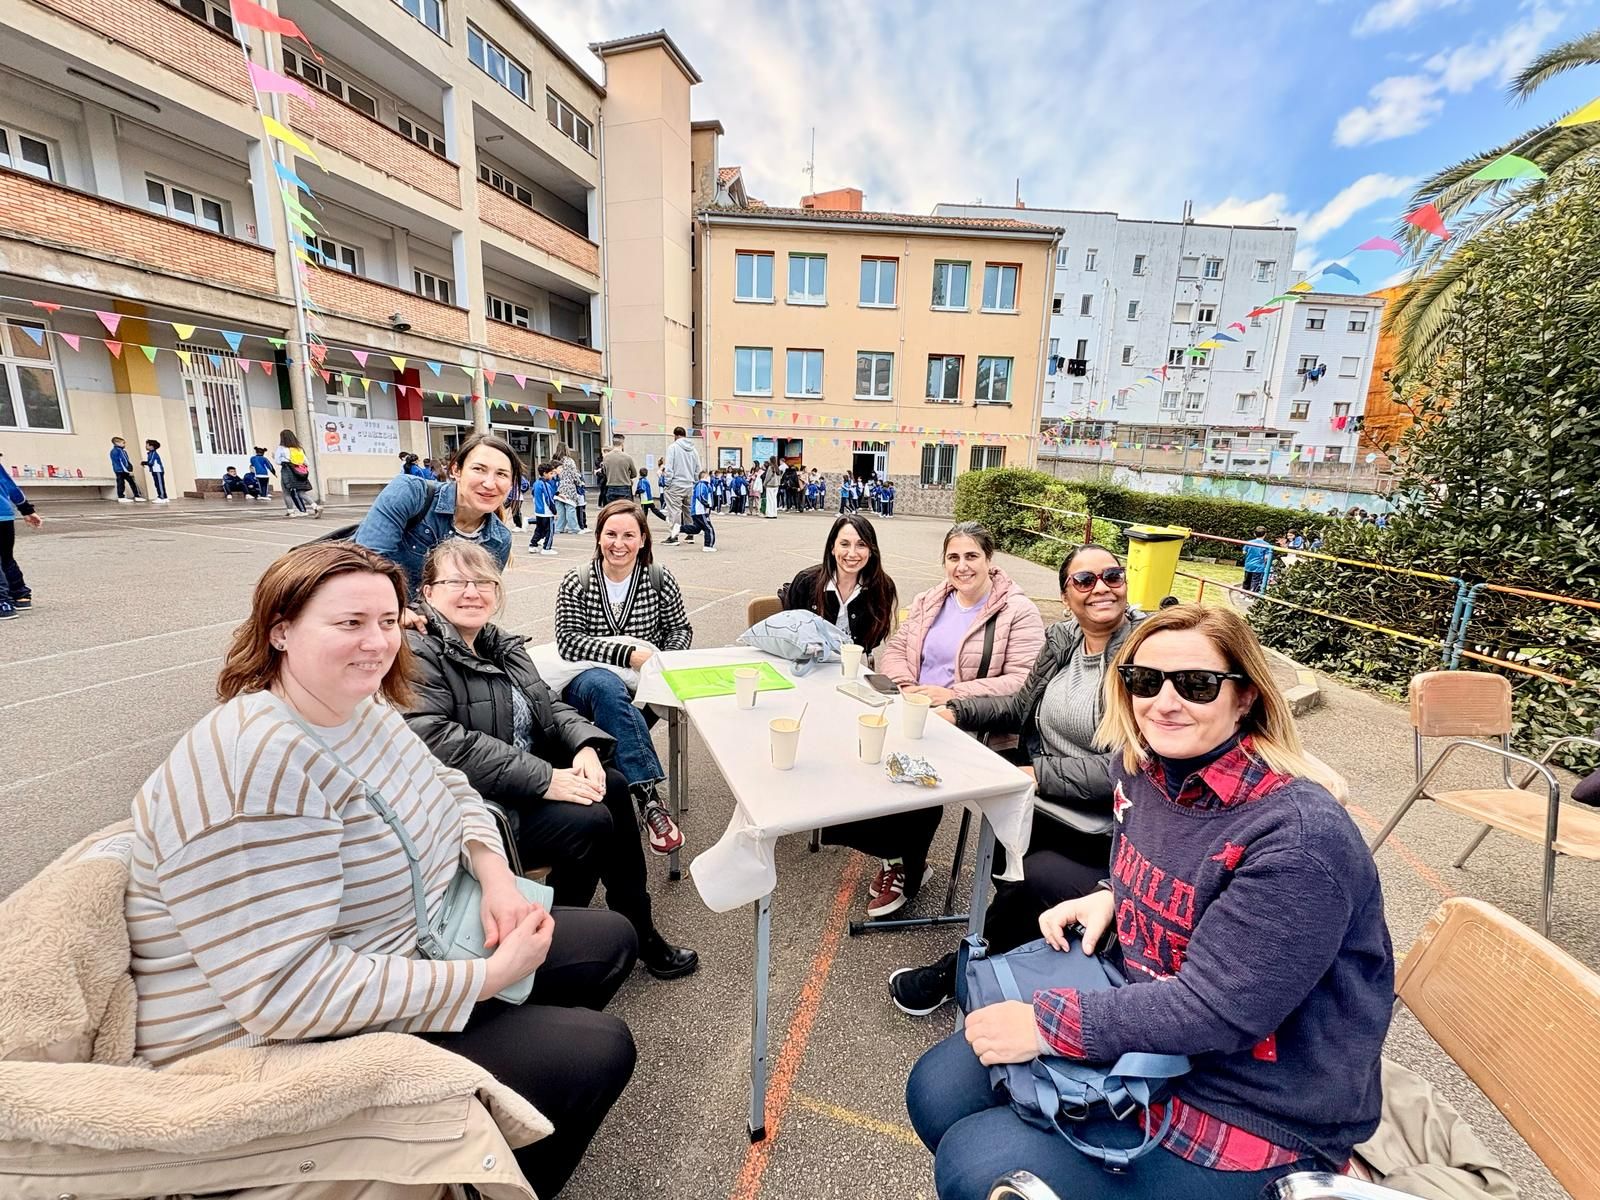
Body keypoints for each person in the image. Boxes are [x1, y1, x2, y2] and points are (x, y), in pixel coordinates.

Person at [125, 541, 638, 1198]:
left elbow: (451, 787)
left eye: (388, 622)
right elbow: (282, 995)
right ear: (280, 630)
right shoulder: (256, 768)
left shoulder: (356, 710)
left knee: (609, 939)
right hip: (280, 1044)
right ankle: (472, 1163)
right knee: (597, 1048)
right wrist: (485, 979)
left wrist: (496, 880)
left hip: (404, 947)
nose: (378, 642)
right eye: (350, 623)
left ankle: (500, 1101)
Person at [906, 603, 1392, 1200]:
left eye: (1196, 684)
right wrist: (1113, 895)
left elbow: (1216, 1011)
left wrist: (1046, 1024)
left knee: (973, 1160)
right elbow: (1179, 867)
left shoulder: (1297, 841)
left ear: (1246, 696)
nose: (1163, 702)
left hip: (1247, 1094)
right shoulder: (1143, 768)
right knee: (935, 1090)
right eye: (1144, 680)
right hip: (1144, 1010)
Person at [405, 540, 699, 981]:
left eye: (483, 581)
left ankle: (633, 926)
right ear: (428, 592)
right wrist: (547, 779)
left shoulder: (498, 643)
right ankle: (558, 937)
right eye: (457, 582)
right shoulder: (419, 650)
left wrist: (584, 746)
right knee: (592, 821)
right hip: (479, 808)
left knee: (613, 784)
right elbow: (439, 741)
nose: (472, 591)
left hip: (523, 780)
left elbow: (548, 704)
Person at [889, 545, 1139, 1016]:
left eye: (1112, 575)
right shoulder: (1064, 640)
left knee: (1028, 879)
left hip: (1103, 822)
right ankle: (1017, 965)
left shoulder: (1141, 656)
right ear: (1066, 596)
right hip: (1043, 799)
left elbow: (1131, 765)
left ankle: (959, 974)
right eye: (1085, 580)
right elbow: (1021, 705)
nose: (1101, 587)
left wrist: (1037, 773)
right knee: (1003, 862)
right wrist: (956, 711)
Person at [824, 522, 1045, 919]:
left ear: (989, 559)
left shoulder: (1018, 611)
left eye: (972, 556)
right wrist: (908, 687)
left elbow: (1023, 682)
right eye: (953, 557)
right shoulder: (930, 600)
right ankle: (898, 857)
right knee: (854, 755)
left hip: (972, 723)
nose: (962, 566)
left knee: (915, 773)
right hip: (915, 709)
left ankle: (905, 869)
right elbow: (897, 650)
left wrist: (953, 695)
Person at [554, 501, 695, 879]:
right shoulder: (577, 581)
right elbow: (568, 641)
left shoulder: (659, 579)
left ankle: (612, 786)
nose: (619, 543)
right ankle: (649, 801)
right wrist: (628, 655)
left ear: (643, 539)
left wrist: (661, 662)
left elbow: (680, 629)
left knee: (620, 715)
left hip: (643, 688)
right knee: (607, 685)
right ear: (598, 537)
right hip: (587, 683)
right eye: (611, 534)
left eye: (629, 535)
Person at [353, 432, 519, 599]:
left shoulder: (500, 540)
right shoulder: (411, 493)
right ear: (456, 470)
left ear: (511, 483)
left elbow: (478, 598)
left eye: (501, 474)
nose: (489, 484)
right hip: (373, 609)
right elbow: (366, 565)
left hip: (434, 616)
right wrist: (402, 611)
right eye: (478, 469)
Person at [779, 514, 898, 654]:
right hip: (806, 661)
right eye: (844, 544)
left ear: (871, 550)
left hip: (851, 662)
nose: (852, 553)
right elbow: (789, 633)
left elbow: (873, 639)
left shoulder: (883, 587)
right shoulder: (805, 582)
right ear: (832, 547)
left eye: (861, 545)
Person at [0, 454, 42, 619]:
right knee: (6, 557)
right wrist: (26, 509)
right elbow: (10, 486)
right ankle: (20, 595)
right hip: (4, 515)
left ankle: (3, 603)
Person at [661, 426, 700, 545]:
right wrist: (695, 481)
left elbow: (669, 467)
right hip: (689, 484)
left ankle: (674, 536)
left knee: (674, 511)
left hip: (676, 483)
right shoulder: (693, 450)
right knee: (688, 510)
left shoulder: (673, 447)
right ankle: (690, 534)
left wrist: (667, 482)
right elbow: (698, 468)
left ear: (675, 435)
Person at [275, 429, 322, 518]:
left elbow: (277, 461)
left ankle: (291, 512)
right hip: (299, 473)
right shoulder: (299, 449)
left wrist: (281, 459)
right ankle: (315, 507)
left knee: (286, 492)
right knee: (301, 492)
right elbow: (307, 463)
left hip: (287, 471)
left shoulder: (281, 448)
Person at [551, 442, 581, 535]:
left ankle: (558, 527)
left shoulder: (554, 460)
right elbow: (574, 474)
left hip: (557, 487)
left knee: (560, 509)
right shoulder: (569, 461)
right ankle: (574, 528)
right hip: (568, 486)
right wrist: (579, 483)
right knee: (570, 507)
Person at [529, 461, 558, 556]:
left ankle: (533, 545)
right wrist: (554, 511)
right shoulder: (545, 484)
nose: (552, 476)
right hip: (547, 512)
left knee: (539, 529)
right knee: (550, 530)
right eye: (551, 473)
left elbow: (533, 494)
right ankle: (547, 548)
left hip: (538, 511)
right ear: (545, 473)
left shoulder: (536, 483)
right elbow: (549, 499)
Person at [600, 436, 636, 505]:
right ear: (622, 444)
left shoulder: (606, 458)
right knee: (625, 509)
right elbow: (634, 474)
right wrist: (626, 475)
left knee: (612, 509)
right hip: (625, 487)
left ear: (613, 444)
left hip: (610, 487)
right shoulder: (628, 457)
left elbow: (604, 472)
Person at [688, 469, 717, 552]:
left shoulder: (706, 485)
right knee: (709, 528)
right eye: (708, 476)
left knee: (696, 529)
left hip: (701, 511)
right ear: (705, 477)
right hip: (700, 511)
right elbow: (700, 496)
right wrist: (706, 504)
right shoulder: (701, 485)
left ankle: (679, 528)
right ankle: (708, 545)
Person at [110, 436, 144, 503]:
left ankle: (122, 497)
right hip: (123, 470)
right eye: (123, 443)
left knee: (121, 483)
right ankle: (136, 496)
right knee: (131, 483)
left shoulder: (115, 451)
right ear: (117, 443)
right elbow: (123, 461)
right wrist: (128, 470)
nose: (124, 444)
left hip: (118, 470)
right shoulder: (119, 451)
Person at [1240, 526, 1272, 594]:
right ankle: (1251, 595)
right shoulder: (1267, 545)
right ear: (1265, 534)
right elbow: (1266, 557)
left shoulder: (1249, 542)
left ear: (1254, 534)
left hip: (1248, 564)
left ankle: (1243, 593)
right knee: (1255, 581)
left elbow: (1244, 552)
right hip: (1259, 566)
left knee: (1246, 580)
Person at [142, 439, 168, 503]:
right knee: (158, 484)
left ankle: (161, 497)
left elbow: (151, 462)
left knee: (159, 484)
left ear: (151, 446)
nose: (146, 446)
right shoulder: (150, 453)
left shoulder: (153, 453)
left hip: (158, 471)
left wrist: (144, 463)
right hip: (155, 471)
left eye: (147, 445)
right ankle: (164, 497)